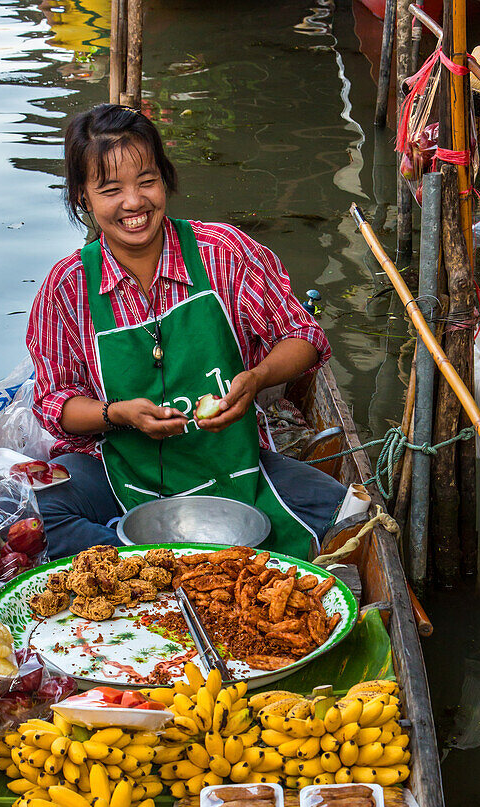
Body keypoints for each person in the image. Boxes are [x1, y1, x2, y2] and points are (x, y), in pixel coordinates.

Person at [27, 103, 346, 561]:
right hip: (114, 468)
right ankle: (153, 562)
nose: (134, 203)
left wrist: (256, 379)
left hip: (233, 462)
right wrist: (119, 414)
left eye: (147, 182)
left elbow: (302, 337)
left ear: (166, 179)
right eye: (111, 189)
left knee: (338, 508)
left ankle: (144, 563)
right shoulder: (68, 287)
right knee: (32, 516)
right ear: (83, 197)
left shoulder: (224, 251)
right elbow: (55, 403)